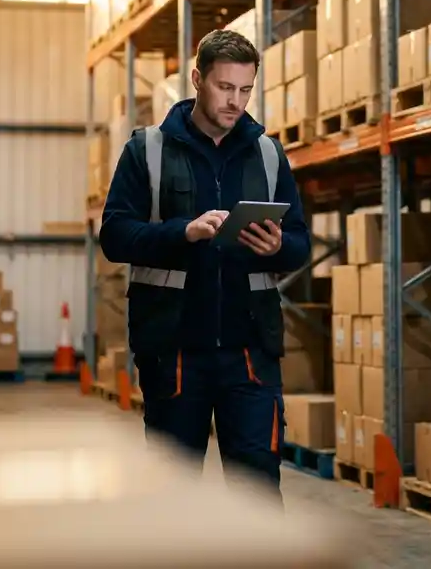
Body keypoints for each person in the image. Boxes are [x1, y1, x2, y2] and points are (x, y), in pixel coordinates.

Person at [99, 28, 311, 501]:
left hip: (250, 355)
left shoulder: (269, 154)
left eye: (245, 90)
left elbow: (300, 243)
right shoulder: (146, 150)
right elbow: (114, 235)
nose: (235, 102)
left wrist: (277, 245)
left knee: (256, 495)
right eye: (224, 87)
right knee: (172, 500)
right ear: (197, 79)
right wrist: (183, 232)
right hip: (174, 353)